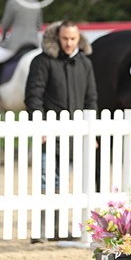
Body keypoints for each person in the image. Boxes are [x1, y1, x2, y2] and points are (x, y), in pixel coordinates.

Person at [25, 20, 97, 208]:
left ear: (78, 38)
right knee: (47, 182)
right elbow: (33, 96)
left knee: (62, 183)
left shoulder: (85, 63)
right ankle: (43, 230)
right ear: (57, 37)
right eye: (65, 38)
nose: (69, 43)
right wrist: (39, 126)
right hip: (48, 135)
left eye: (73, 38)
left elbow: (91, 100)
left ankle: (58, 228)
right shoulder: (42, 62)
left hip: (73, 136)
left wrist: (93, 132)